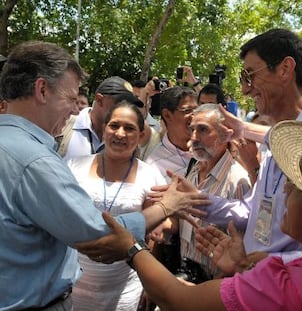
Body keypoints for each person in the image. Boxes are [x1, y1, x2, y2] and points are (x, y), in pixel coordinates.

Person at [77, 120, 302, 310]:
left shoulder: (289, 280)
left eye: (294, 189)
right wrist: (242, 269)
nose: (283, 193)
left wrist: (131, 247)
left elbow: (179, 300)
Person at [0, 40, 209, 310]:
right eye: (71, 98)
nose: (75, 109)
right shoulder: (36, 161)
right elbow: (97, 233)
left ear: (141, 136)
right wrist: (167, 206)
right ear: (42, 90)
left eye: (129, 128)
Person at [175, 28, 302, 263]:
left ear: (285, 69)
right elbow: (254, 213)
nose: (245, 89)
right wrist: (196, 199)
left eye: (250, 76)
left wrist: (277, 265)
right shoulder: (272, 143)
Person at [68, 101, 166, 310]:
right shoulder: (74, 167)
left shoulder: (149, 176)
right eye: (114, 126)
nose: (120, 134)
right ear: (104, 130)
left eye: (129, 128)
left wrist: (151, 284)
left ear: (140, 137)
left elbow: (154, 237)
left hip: (124, 290)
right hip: (74, 285)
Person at [179, 103, 251, 279]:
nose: (194, 137)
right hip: (185, 274)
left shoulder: (238, 180)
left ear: (225, 133)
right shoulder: (193, 169)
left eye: (203, 130)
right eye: (192, 129)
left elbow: (243, 250)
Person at [57, 75, 143, 160]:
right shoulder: (65, 125)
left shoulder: (127, 141)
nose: (123, 110)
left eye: (128, 105)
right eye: (119, 104)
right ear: (99, 100)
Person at [146, 86, 198, 180]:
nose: (195, 116)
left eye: (197, 110)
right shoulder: (153, 168)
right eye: (188, 111)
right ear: (167, 115)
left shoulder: (210, 152)